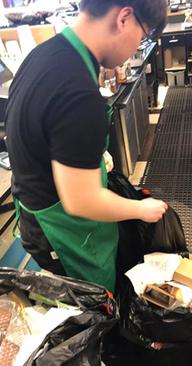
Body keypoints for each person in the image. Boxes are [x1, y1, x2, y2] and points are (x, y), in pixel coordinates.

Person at [5, 0, 168, 293]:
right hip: (62, 231)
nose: (136, 48)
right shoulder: (79, 92)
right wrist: (141, 209)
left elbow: (42, 135)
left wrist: (87, 154)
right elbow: (82, 201)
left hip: (34, 213)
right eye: (142, 36)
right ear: (124, 18)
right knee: (94, 304)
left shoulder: (44, 55)